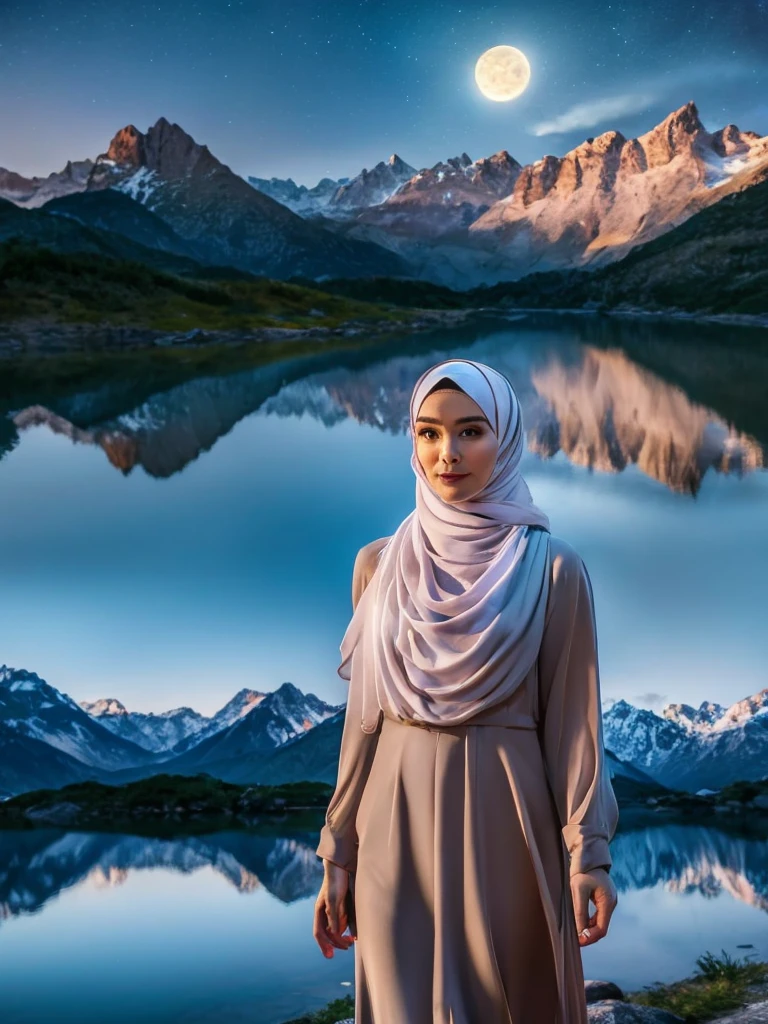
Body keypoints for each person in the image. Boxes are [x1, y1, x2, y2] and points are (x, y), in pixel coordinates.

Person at [312, 358, 619, 1023]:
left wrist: (589, 856)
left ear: (505, 438)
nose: (446, 453)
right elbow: (362, 723)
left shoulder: (555, 568)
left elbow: (574, 728)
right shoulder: (378, 565)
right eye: (427, 433)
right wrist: (338, 850)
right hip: (392, 826)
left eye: (471, 431)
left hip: (510, 819)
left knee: (510, 1002)